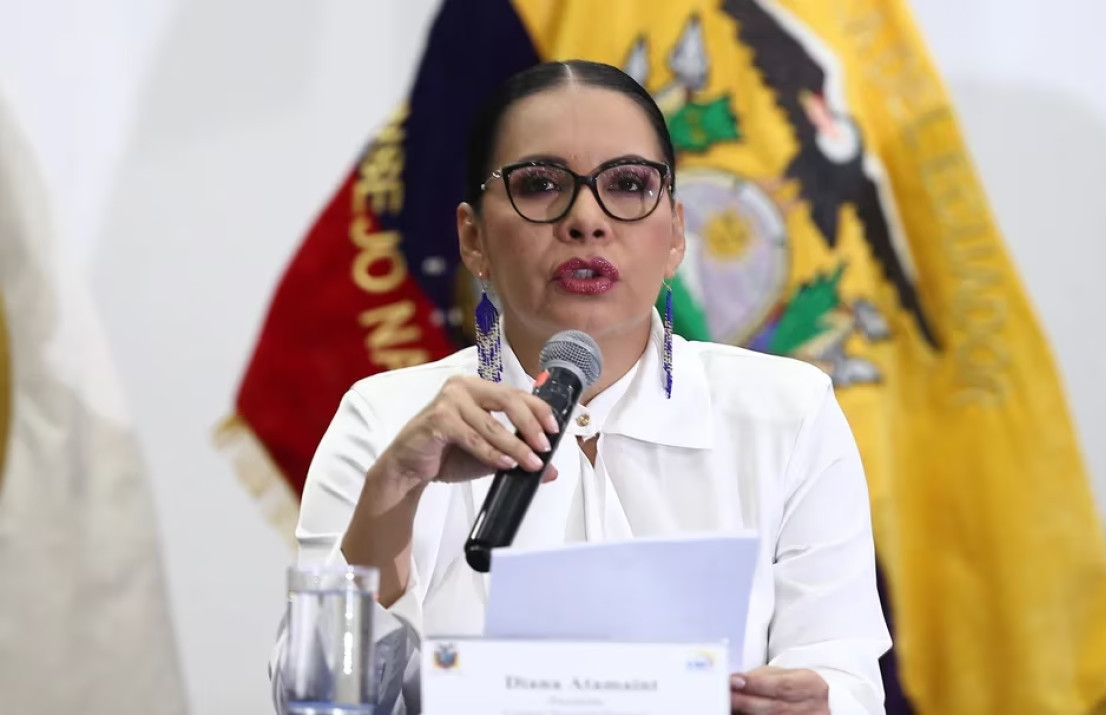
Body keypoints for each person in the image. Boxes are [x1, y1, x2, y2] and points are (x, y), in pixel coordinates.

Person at [271, 59, 891, 714]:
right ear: (473, 238)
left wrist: (819, 705)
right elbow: (314, 704)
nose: (587, 220)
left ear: (676, 232)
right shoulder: (383, 421)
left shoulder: (787, 413)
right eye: (540, 184)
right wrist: (392, 493)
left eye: (627, 184)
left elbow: (843, 677)